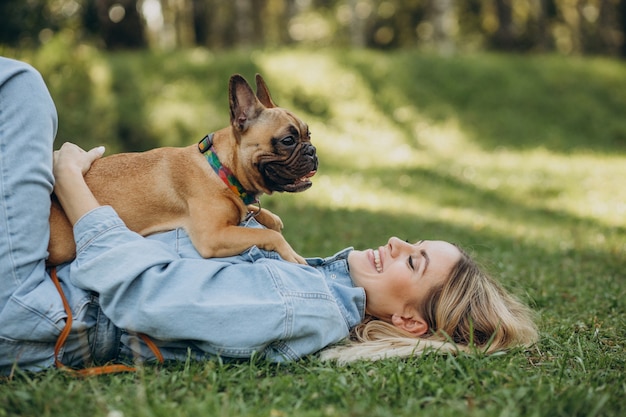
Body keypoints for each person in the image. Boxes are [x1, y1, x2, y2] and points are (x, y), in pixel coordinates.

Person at [0, 57, 538, 375]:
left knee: (19, 87)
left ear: (409, 323)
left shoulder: (300, 303)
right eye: (413, 240)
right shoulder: (309, 278)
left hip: (41, 303)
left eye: (413, 262)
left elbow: (141, 296)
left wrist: (71, 181)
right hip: (41, 273)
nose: (396, 241)